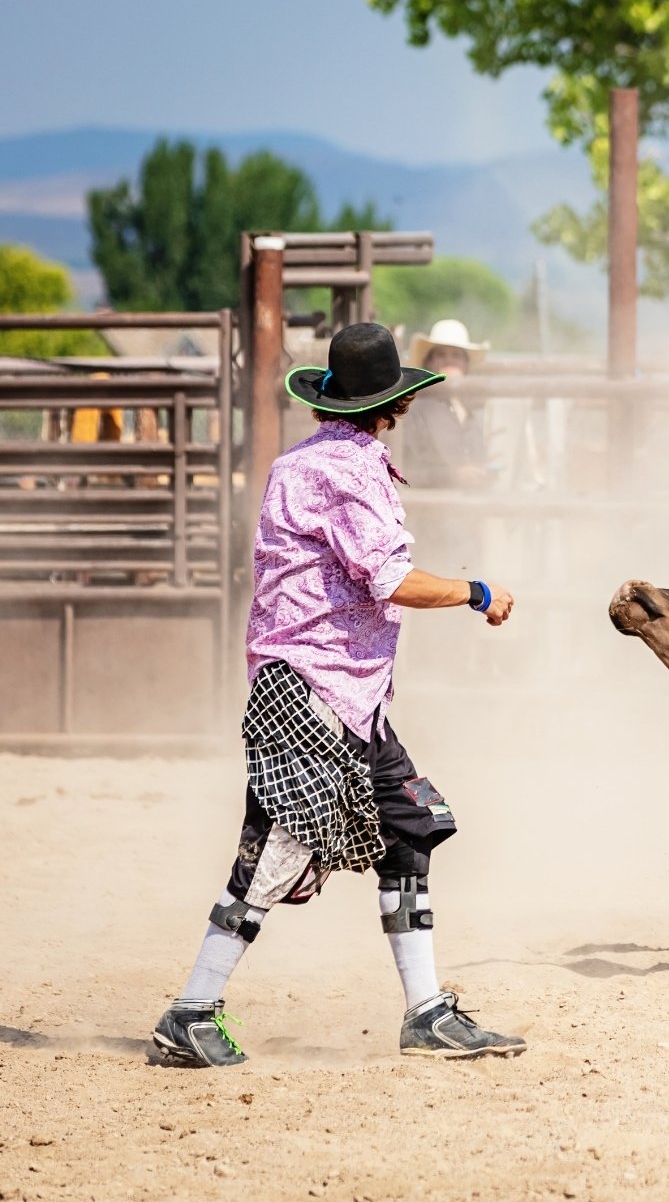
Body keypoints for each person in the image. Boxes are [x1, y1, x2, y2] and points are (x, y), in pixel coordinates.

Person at [150, 323, 525, 1068]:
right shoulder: (350, 474)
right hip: (319, 687)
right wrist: (475, 590)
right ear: (391, 406)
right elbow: (388, 581)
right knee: (274, 853)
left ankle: (425, 1011)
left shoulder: (303, 463)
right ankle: (192, 1009)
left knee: (409, 825)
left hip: (333, 692)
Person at [404, 319, 491, 490]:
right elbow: (402, 470)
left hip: (470, 510)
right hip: (429, 511)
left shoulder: (471, 412)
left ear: (466, 365)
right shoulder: (414, 409)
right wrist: (452, 475)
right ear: (428, 364)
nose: (449, 361)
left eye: (456, 355)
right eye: (441, 355)